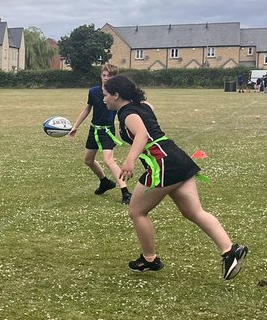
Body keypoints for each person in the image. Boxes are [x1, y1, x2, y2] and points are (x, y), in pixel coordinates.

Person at [103, 75, 248, 279]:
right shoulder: (143, 106)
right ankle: (230, 250)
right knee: (194, 211)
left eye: (106, 95)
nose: (104, 99)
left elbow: (142, 135)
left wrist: (129, 161)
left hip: (164, 164)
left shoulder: (127, 113)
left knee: (136, 211)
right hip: (177, 158)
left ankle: (149, 259)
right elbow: (149, 114)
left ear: (116, 95)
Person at [68, 63, 130, 204]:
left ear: (115, 78)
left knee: (109, 160)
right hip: (93, 129)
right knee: (88, 160)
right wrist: (75, 126)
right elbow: (87, 109)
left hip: (107, 131)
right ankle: (105, 182)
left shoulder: (117, 94)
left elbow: (126, 110)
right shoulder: (93, 91)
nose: (106, 78)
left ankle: (125, 192)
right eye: (104, 75)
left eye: (110, 76)